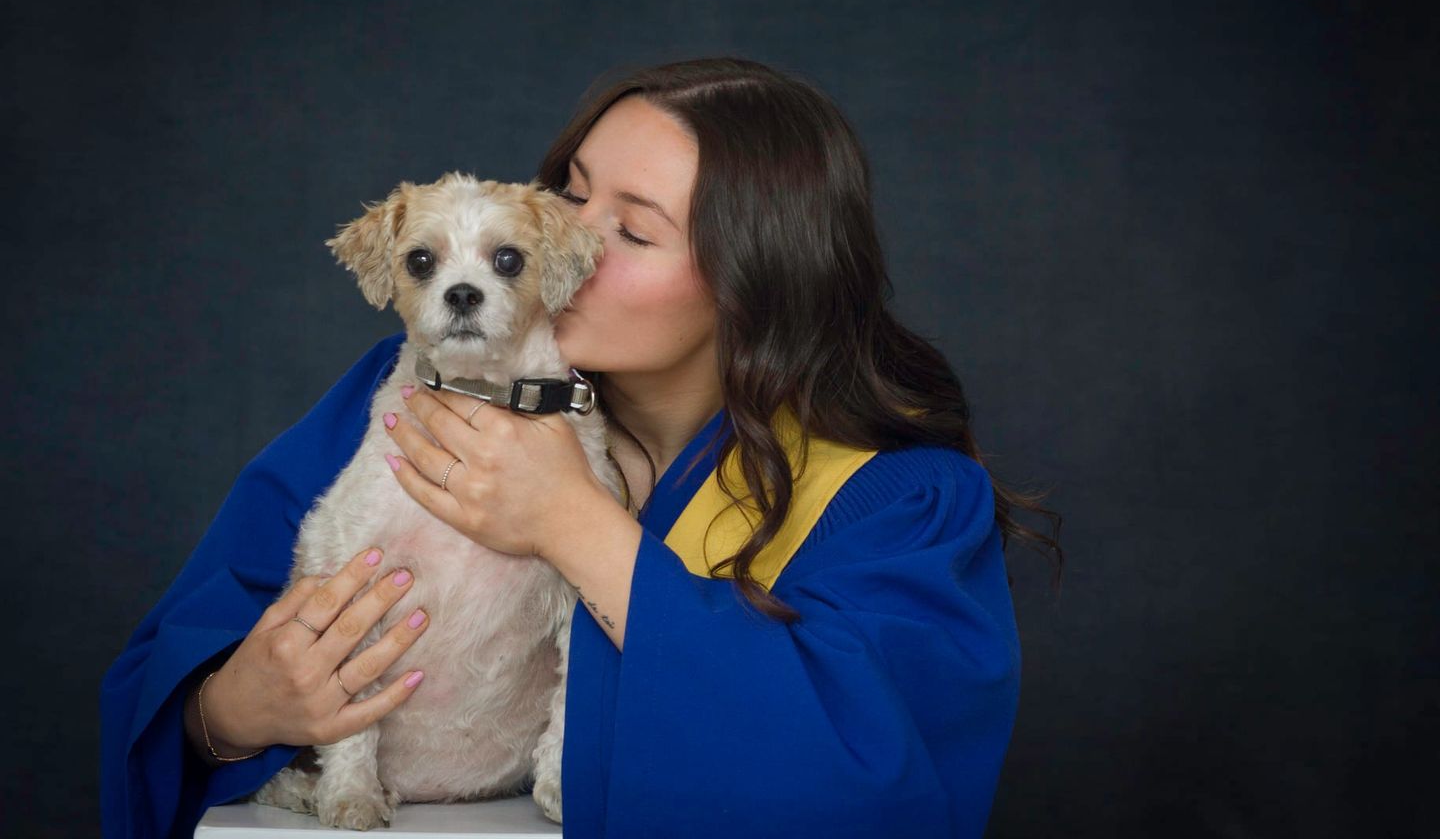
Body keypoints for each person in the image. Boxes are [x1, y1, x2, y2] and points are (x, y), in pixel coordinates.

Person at [101, 57, 1063, 839]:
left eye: (632, 230)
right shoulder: (406, 399)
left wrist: (573, 522)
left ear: (757, 284)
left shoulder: (891, 504)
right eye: (567, 192)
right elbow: (181, 675)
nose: (564, 235)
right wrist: (228, 716)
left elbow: (875, 791)